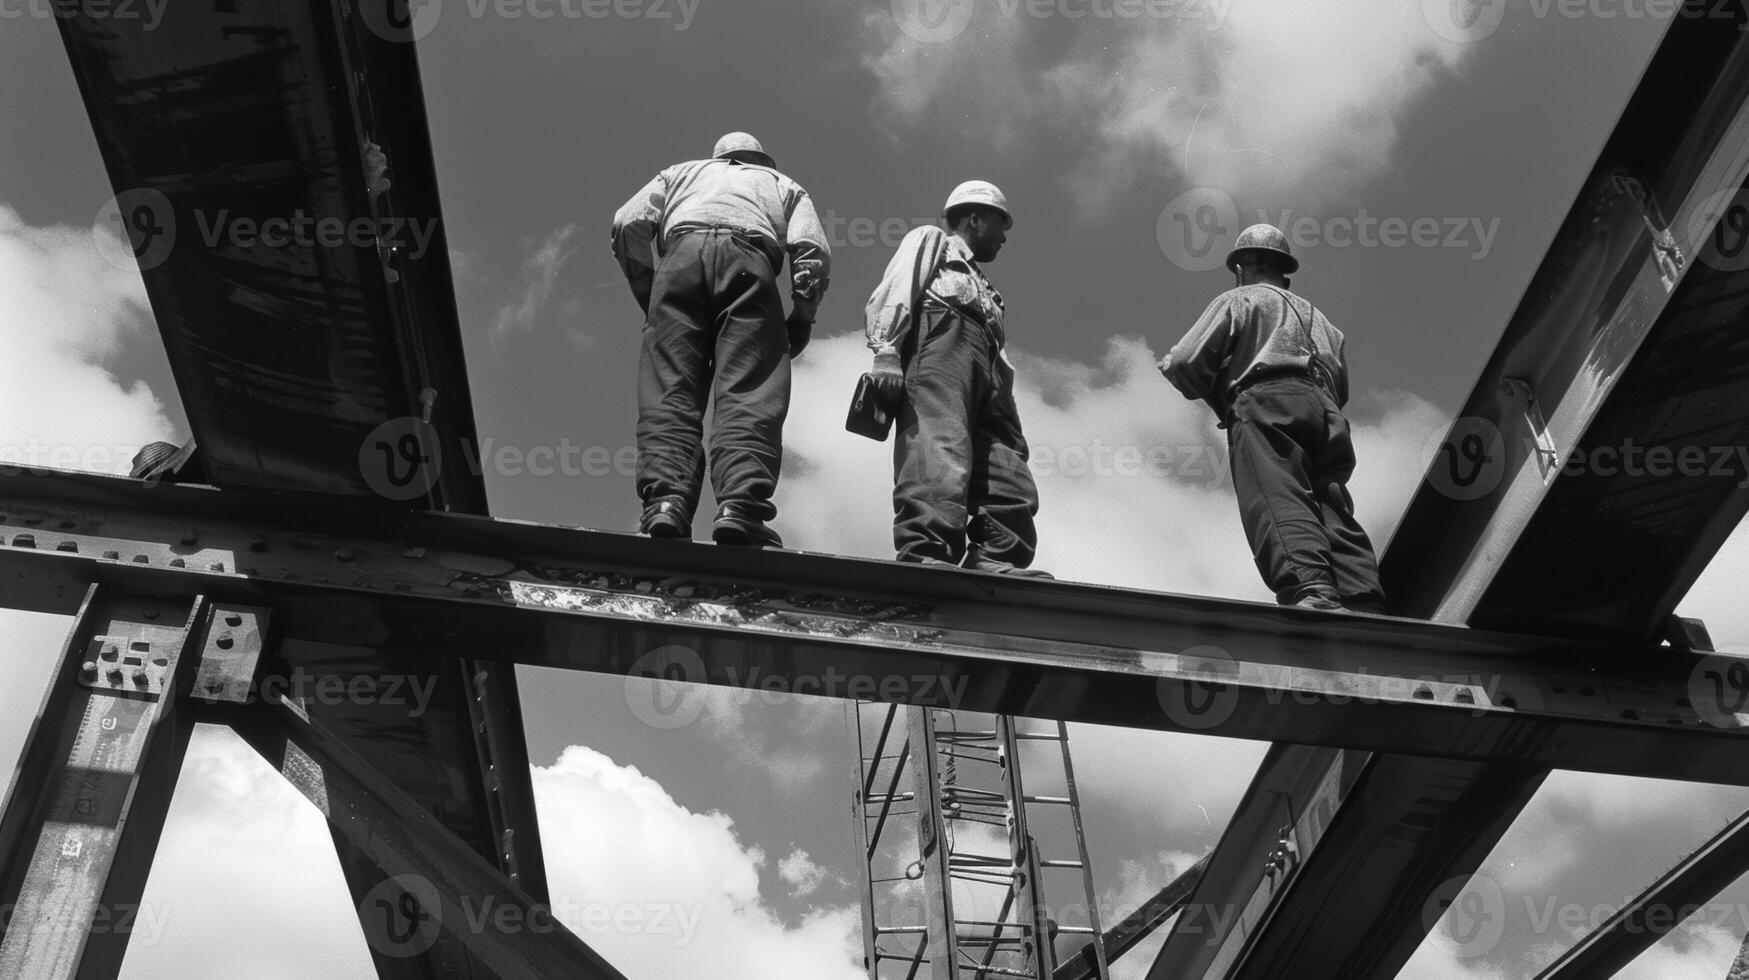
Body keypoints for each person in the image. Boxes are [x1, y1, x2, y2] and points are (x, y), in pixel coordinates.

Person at [611, 133, 829, 547]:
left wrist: (649, 289)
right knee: (748, 388)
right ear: (761, 160)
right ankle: (740, 508)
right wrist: (802, 316)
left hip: (679, 260)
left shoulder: (680, 173)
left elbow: (627, 222)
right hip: (748, 264)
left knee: (669, 390)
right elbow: (811, 251)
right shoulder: (780, 184)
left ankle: (666, 503)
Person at [1159, 224, 1385, 612]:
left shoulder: (1242, 298)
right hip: (1327, 413)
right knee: (1331, 502)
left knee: (1276, 492)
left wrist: (1221, 399)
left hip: (1265, 400)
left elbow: (1183, 362)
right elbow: (1340, 386)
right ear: (1285, 270)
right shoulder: (1326, 324)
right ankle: (1362, 595)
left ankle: (1311, 591)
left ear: (1241, 267)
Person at [864, 181, 1050, 578]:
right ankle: (928, 550)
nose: (1004, 237)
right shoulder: (933, 242)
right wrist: (886, 352)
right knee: (938, 443)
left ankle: (996, 556)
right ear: (975, 217)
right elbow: (897, 287)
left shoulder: (989, 289)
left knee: (1006, 460)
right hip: (941, 342)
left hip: (988, 365)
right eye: (1001, 224)